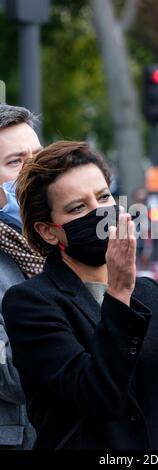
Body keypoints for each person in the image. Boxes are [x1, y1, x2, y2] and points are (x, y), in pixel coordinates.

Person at [2, 140, 158, 449]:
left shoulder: (149, 295)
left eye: (103, 197)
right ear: (49, 230)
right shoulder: (31, 303)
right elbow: (98, 397)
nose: (99, 213)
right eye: (78, 207)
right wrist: (118, 295)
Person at [0, 104, 43, 449]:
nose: (35, 173)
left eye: (39, 158)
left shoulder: (59, 245)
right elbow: (11, 376)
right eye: (16, 162)